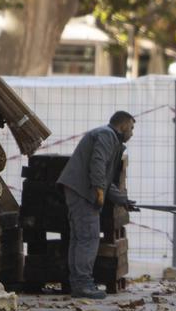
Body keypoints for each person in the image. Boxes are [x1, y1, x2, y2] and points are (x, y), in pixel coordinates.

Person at [56, 111, 137, 299]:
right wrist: (99, 190)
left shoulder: (108, 138)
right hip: (83, 191)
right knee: (88, 238)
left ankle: (79, 282)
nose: (132, 133)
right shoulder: (107, 135)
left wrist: (123, 200)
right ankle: (83, 284)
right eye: (131, 128)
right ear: (123, 125)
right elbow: (98, 163)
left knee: (80, 238)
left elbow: (107, 180)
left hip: (79, 189)